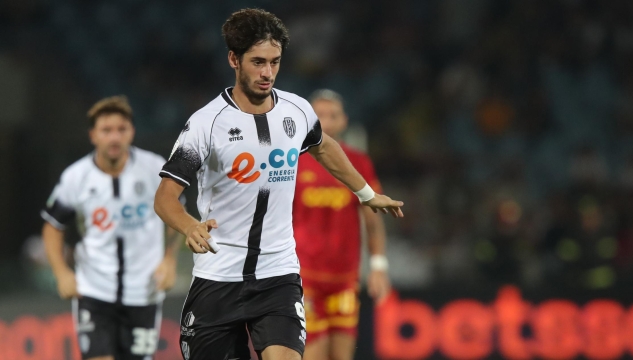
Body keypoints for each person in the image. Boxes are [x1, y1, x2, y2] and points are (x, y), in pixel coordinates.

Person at [153, 8, 403, 360]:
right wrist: (188, 226)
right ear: (233, 59)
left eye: (275, 62)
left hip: (278, 275)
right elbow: (165, 197)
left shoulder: (297, 111)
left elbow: (324, 147)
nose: (267, 72)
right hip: (218, 277)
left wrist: (366, 194)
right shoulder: (206, 124)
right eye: (258, 62)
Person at [41, 96, 181, 360]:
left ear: (132, 132)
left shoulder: (153, 169)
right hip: (94, 291)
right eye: (106, 130)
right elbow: (52, 226)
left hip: (144, 290)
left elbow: (176, 213)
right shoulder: (76, 177)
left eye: (121, 129)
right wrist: (61, 273)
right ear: (93, 135)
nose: (114, 138)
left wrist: (169, 260)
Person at [292, 89, 391, 360]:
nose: (325, 122)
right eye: (319, 115)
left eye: (332, 116)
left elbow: (373, 221)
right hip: (305, 278)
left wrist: (378, 266)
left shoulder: (359, 162)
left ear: (344, 121)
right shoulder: (293, 163)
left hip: (345, 279)